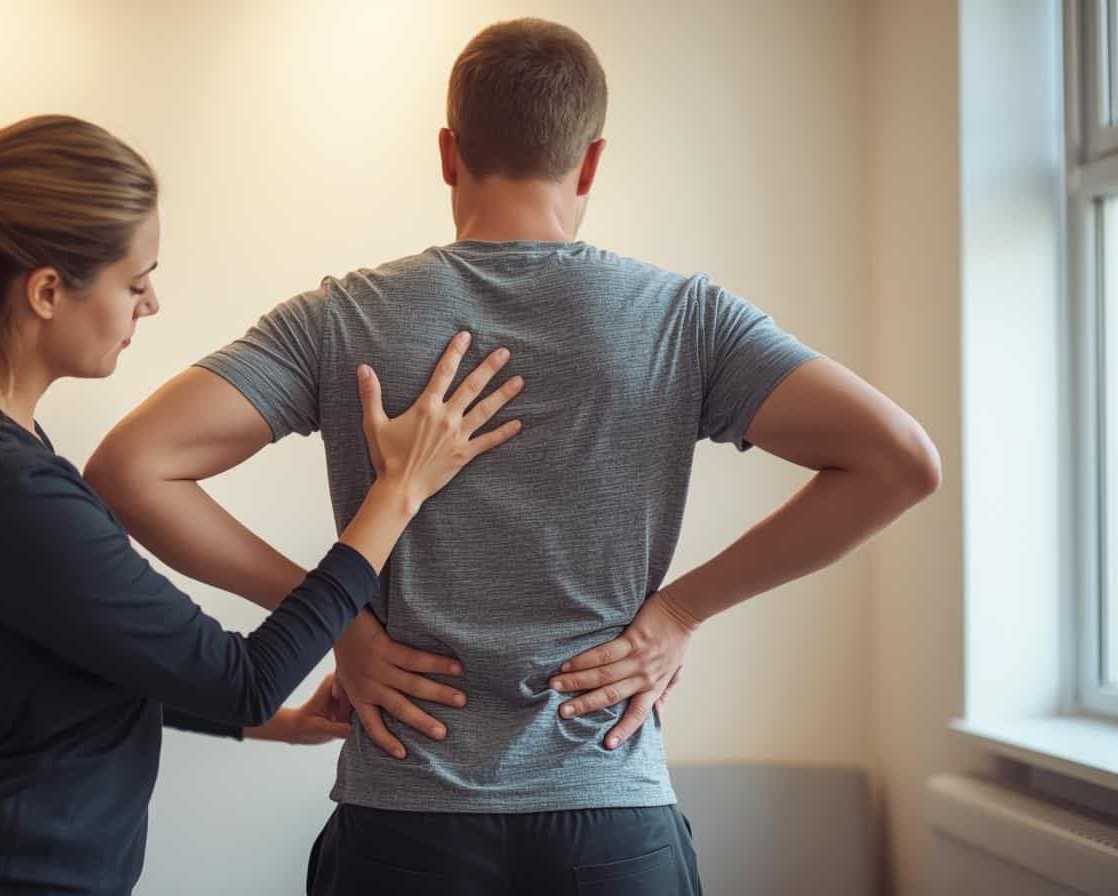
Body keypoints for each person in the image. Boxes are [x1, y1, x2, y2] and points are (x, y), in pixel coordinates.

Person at [86, 17, 941, 896]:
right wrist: (680, 612)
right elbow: (899, 461)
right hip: (611, 817)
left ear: (449, 152)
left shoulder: (342, 318)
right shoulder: (682, 320)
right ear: (592, 161)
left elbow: (131, 467)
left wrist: (341, 621)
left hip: (404, 824)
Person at [0, 114, 524, 896]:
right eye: (135, 282)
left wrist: (278, 723)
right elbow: (243, 677)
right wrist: (396, 492)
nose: (151, 304)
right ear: (46, 292)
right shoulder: (4, 489)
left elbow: (57, 678)